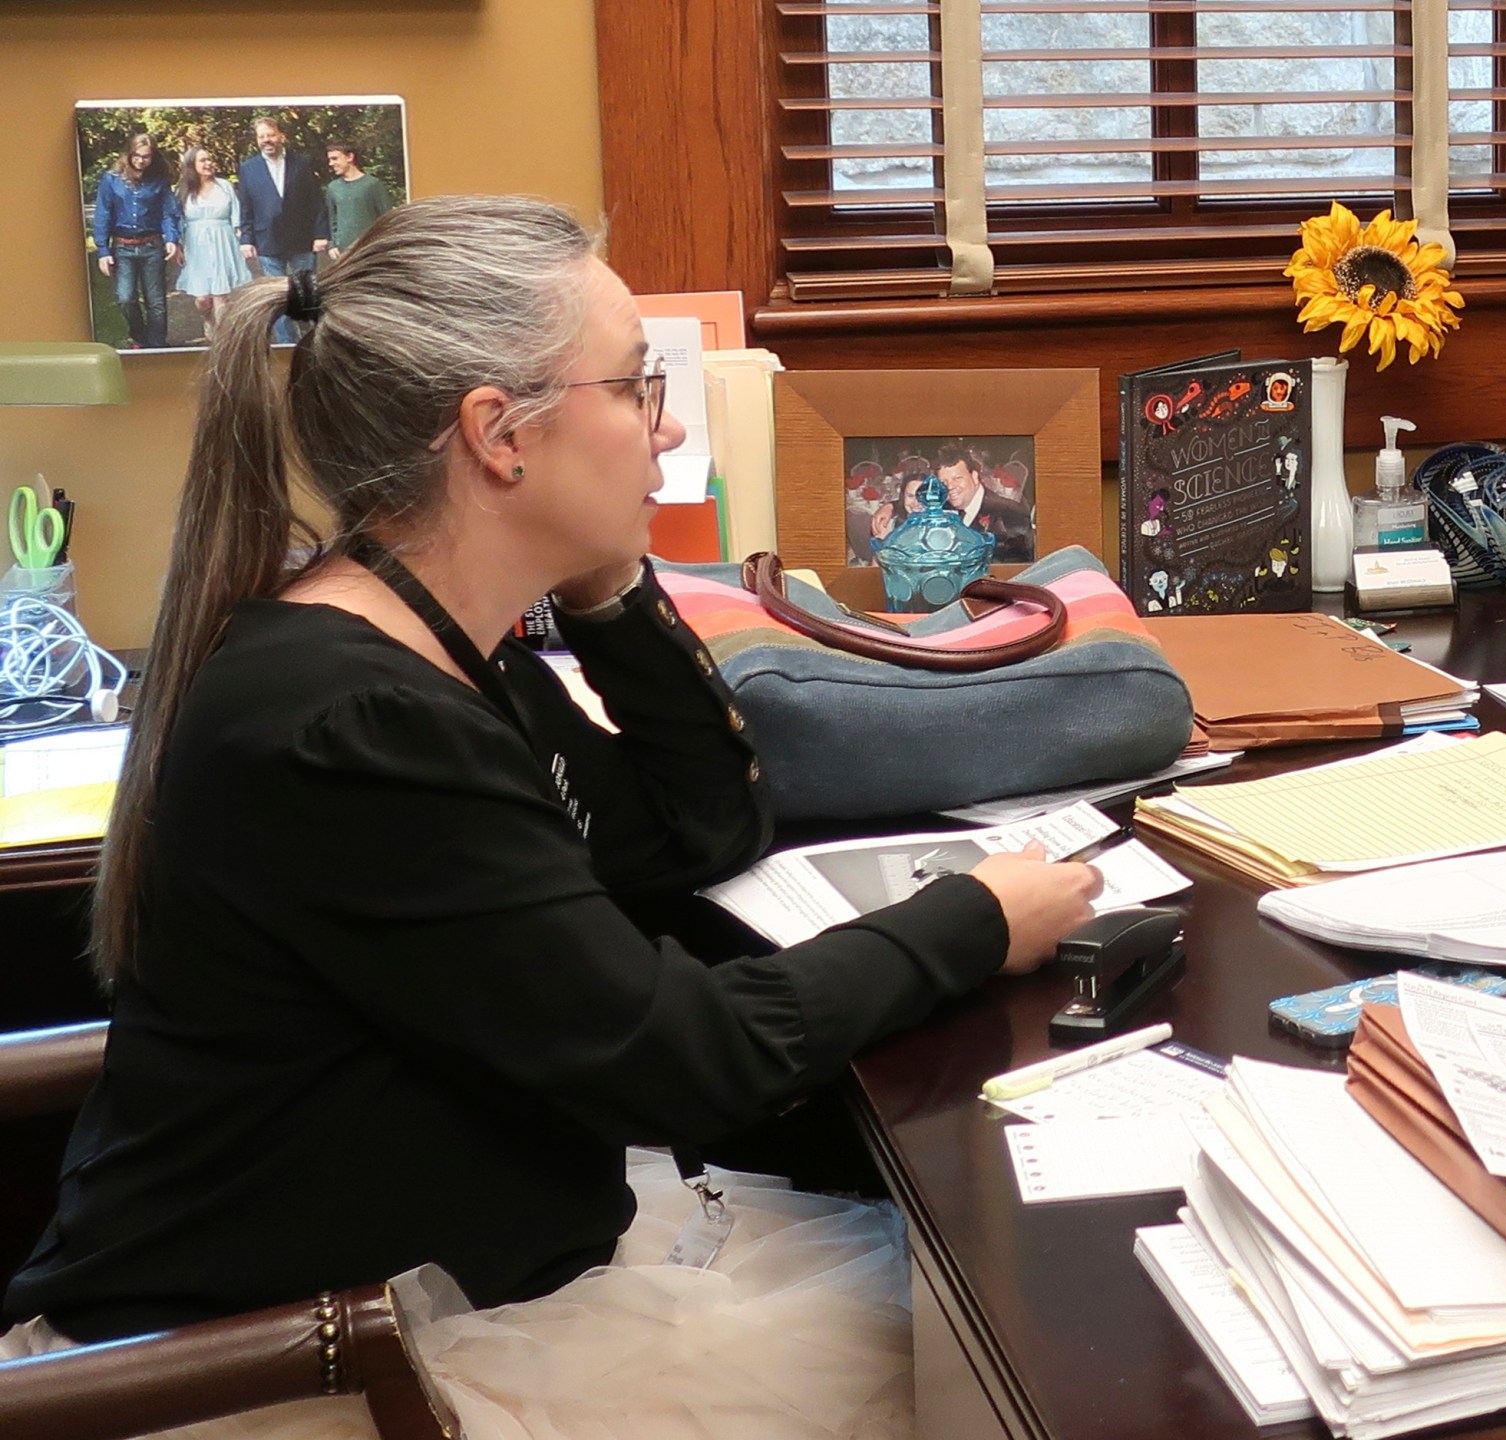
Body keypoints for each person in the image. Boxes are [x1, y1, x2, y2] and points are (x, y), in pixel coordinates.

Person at [0, 196, 1102, 1439]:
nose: (669, 425)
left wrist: (608, 588)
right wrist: (968, 920)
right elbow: (679, 1061)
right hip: (283, 1371)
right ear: (497, 435)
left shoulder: (442, 647)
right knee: (993, 1374)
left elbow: (696, 829)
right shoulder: (352, 724)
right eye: (637, 387)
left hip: (462, 1269)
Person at [233, 115, 327, 343]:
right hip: (268, 241)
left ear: (281, 136)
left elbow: (316, 201)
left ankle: (315, 342)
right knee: (278, 297)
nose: (267, 140)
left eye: (271, 135)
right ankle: (287, 344)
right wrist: (246, 238)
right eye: (262, 136)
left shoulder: (302, 163)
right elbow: (246, 206)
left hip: (301, 240)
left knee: (306, 295)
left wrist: (321, 234)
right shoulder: (248, 168)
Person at [866, 443, 1034, 561]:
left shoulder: (1011, 516)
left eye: (957, 478)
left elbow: (1017, 572)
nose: (950, 487)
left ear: (975, 477)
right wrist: (889, 506)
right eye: (944, 482)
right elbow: (916, 503)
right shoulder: (947, 504)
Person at [90, 132, 178, 349]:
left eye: (146, 156)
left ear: (153, 157)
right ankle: (140, 338)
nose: (141, 161)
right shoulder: (112, 179)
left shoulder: (159, 179)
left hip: (152, 245)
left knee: (155, 301)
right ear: (129, 154)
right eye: (137, 156)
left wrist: (172, 238)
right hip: (122, 247)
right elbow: (103, 213)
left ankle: (157, 345)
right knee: (125, 297)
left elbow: (169, 212)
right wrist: (103, 250)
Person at [172, 147, 254, 333]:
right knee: (202, 299)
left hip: (224, 241)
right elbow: (178, 221)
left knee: (221, 296)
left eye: (209, 159)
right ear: (192, 165)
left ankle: (222, 340)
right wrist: (179, 246)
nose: (208, 163)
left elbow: (236, 213)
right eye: (203, 160)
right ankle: (207, 317)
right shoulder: (184, 190)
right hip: (196, 245)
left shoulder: (224, 186)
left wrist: (241, 236)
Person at [321, 140, 395, 260]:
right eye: (329, 159)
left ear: (350, 157)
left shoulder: (372, 184)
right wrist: (332, 245)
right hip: (342, 253)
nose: (331, 163)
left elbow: (387, 218)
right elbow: (332, 219)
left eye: (335, 158)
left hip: (370, 249)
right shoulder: (333, 188)